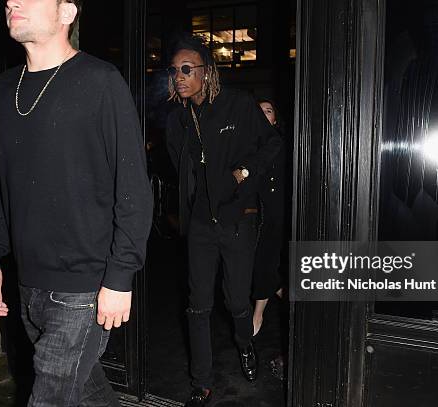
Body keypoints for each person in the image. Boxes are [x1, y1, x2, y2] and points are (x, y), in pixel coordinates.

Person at [0, 1, 153, 405]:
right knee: (89, 390)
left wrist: (119, 276)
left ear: (66, 12)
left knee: (50, 396)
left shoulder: (100, 81)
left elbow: (133, 190)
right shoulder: (1, 91)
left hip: (84, 289)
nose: (11, 2)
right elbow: (0, 186)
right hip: (28, 283)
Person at [165, 35, 282, 407]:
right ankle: (201, 382)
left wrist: (245, 171)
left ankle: (245, 344)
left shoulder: (238, 106)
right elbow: (177, 166)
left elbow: (273, 143)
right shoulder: (177, 119)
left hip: (237, 220)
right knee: (197, 305)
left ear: (206, 72)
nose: (180, 77)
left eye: (187, 69)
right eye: (175, 71)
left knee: (235, 301)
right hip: (200, 225)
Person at [251, 99, 287, 337]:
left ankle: (257, 316)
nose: (264, 114)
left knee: (267, 262)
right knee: (261, 264)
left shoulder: (282, 144)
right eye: (259, 111)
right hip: (257, 215)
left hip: (279, 213)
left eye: (269, 110)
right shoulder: (248, 146)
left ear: (275, 119)